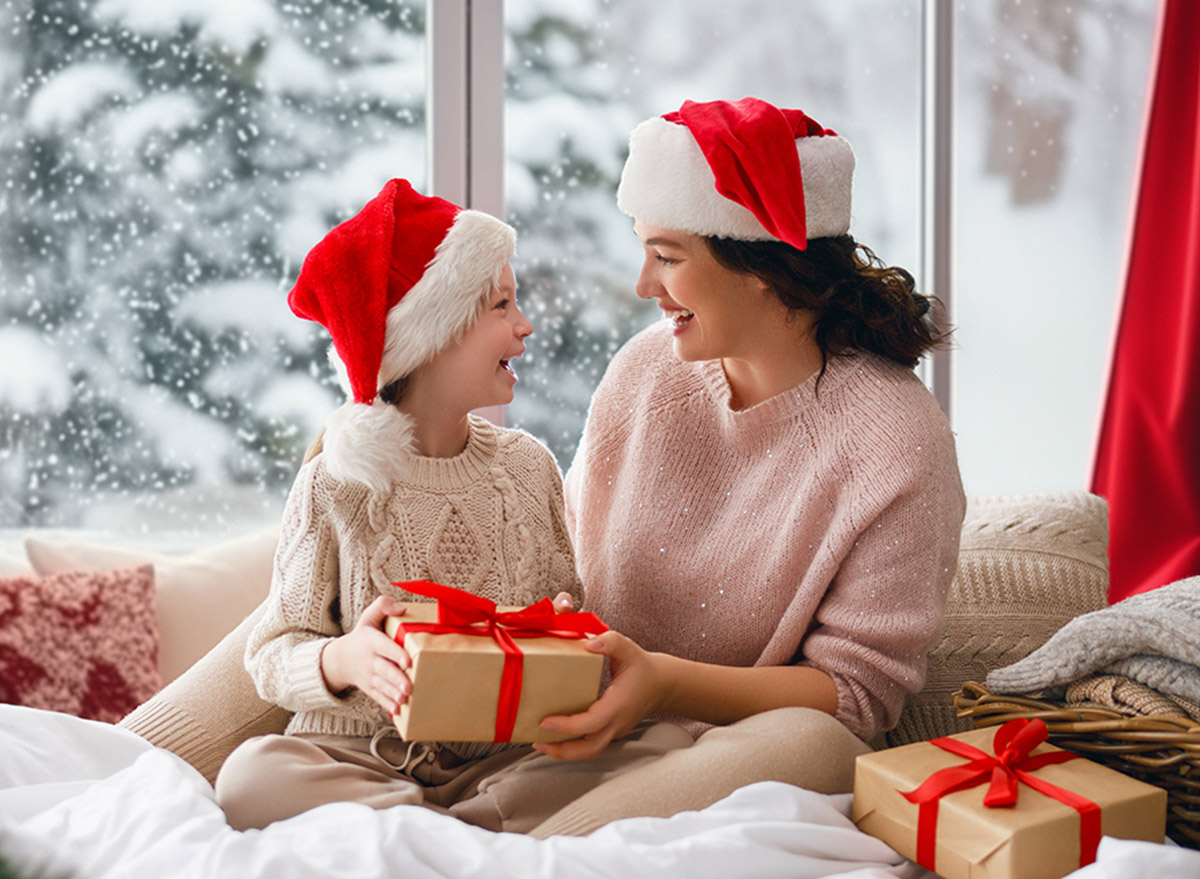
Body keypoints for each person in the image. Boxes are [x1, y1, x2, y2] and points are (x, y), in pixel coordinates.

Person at [518, 96, 967, 837]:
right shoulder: (644, 370)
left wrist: (661, 684)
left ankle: (528, 854)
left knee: (813, 743)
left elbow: (855, 698)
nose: (643, 285)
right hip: (571, 707)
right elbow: (565, 558)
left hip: (717, 749)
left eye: (667, 256)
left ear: (760, 265)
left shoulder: (898, 442)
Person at [214, 179, 593, 831]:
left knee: (657, 747)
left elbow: (569, 610)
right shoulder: (335, 483)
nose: (525, 326)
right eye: (503, 305)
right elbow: (272, 651)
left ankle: (439, 825)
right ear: (431, 335)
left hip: (499, 757)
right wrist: (344, 659)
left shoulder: (528, 466)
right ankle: (462, 828)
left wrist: (555, 630)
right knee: (253, 775)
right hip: (362, 753)